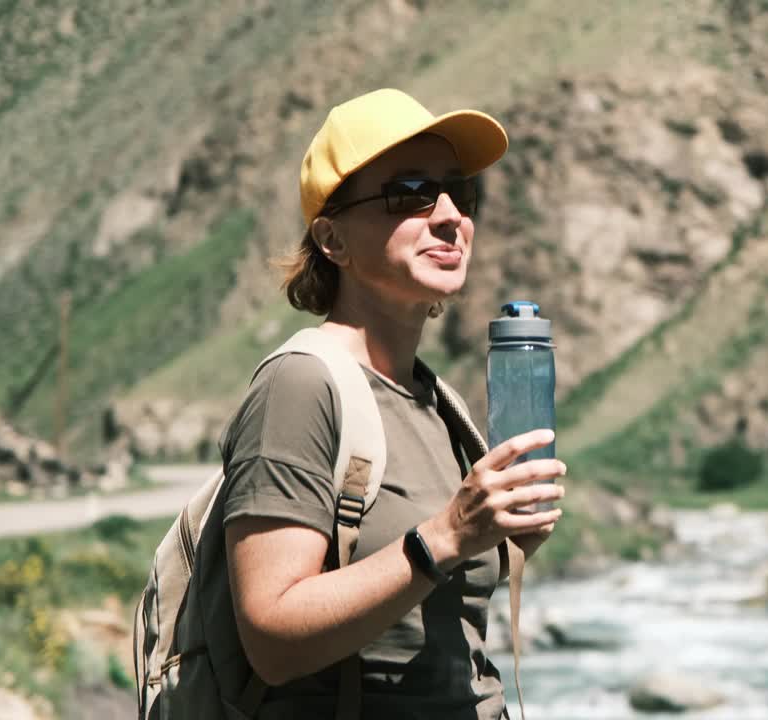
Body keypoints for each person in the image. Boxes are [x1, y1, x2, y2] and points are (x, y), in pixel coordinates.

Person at [212, 88, 565, 720]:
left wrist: (504, 539)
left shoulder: (438, 402)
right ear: (332, 240)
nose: (450, 215)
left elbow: (425, 607)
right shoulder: (301, 386)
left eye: (463, 195)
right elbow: (271, 639)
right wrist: (448, 534)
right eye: (410, 193)